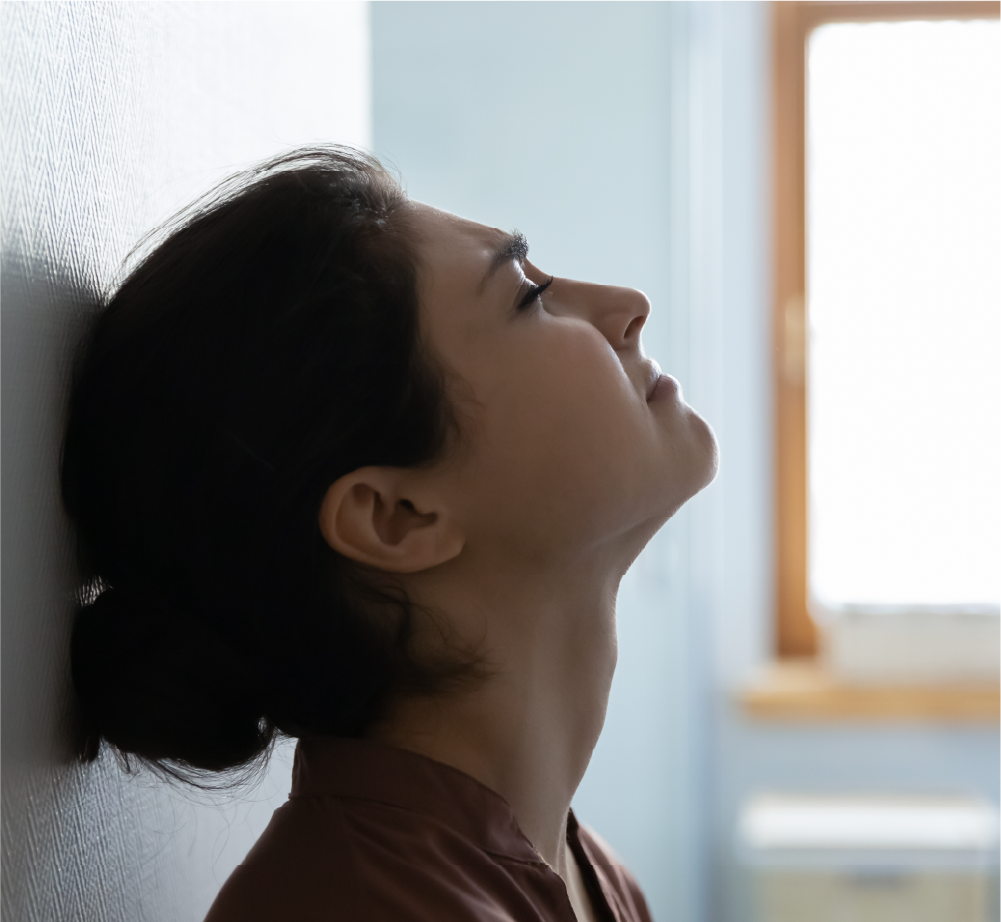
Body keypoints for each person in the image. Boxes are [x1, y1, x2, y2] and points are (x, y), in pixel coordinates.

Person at [62, 147, 718, 922]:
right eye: (528, 295)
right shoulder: (351, 907)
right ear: (395, 517)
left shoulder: (588, 877)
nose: (626, 305)